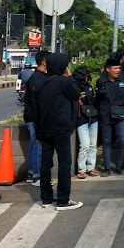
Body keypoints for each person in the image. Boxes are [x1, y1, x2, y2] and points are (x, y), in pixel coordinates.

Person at [35, 52, 82, 210]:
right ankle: (63, 200)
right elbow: (75, 94)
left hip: (44, 128)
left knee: (45, 164)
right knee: (64, 163)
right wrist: (70, 77)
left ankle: (46, 198)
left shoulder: (41, 81)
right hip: (60, 129)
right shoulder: (63, 81)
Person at [97, 57, 124, 176]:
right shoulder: (101, 82)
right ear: (108, 69)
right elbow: (98, 99)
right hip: (105, 115)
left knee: (121, 140)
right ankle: (106, 167)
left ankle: (119, 165)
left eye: (119, 68)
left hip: (120, 115)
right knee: (106, 141)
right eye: (115, 68)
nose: (117, 71)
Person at [23, 50, 49, 186]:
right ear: (44, 62)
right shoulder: (37, 79)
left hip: (33, 116)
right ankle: (37, 176)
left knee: (34, 145)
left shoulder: (37, 77)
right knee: (38, 145)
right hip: (34, 117)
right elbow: (36, 101)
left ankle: (32, 172)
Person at [73, 66, 99, 179]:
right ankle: (81, 169)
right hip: (81, 119)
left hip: (93, 118)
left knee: (93, 144)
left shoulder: (89, 87)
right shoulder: (74, 88)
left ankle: (91, 167)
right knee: (84, 145)